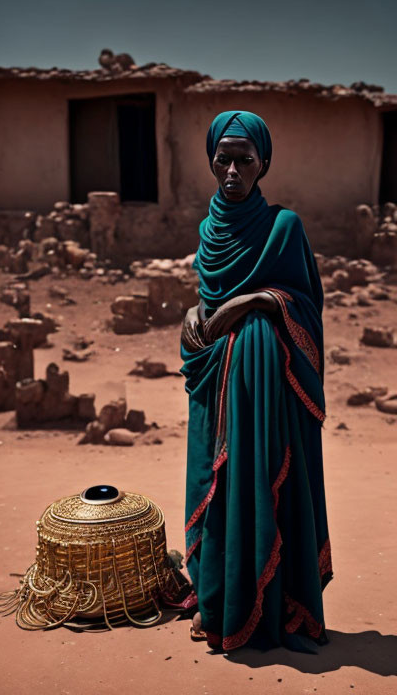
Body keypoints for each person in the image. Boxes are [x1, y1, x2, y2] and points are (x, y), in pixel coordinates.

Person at [180, 111, 331, 652]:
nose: (232, 171)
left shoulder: (284, 227)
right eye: (224, 160)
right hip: (215, 375)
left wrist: (256, 302)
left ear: (263, 162)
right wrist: (195, 316)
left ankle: (268, 605)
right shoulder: (209, 228)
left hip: (262, 390)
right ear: (211, 161)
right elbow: (209, 295)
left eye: (245, 161)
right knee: (214, 486)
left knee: (255, 481)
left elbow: (306, 309)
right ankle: (219, 600)